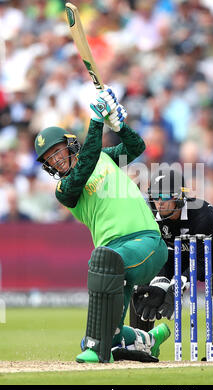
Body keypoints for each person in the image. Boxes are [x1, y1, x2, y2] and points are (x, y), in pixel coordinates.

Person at [34, 87, 170, 363]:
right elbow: (85, 166)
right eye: (50, 160)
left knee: (104, 261)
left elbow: (136, 148)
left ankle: (97, 345)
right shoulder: (65, 190)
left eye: (58, 152)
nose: (57, 161)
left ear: (71, 144)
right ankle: (148, 339)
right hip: (113, 261)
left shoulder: (104, 156)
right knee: (112, 329)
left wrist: (119, 126)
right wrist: (96, 122)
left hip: (146, 243)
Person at [132, 168, 213, 361]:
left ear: (179, 197)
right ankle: (139, 345)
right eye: (154, 196)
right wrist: (159, 282)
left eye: (165, 196)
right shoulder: (149, 214)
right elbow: (157, 251)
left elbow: (201, 261)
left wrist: (179, 283)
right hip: (178, 250)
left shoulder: (201, 214)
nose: (159, 202)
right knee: (145, 284)